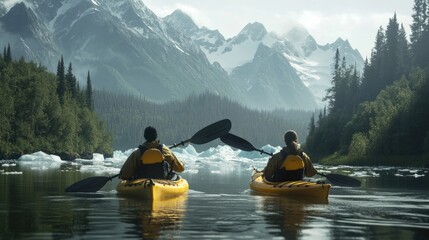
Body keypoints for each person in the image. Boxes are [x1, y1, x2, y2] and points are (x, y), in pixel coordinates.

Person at [119, 126, 185, 180]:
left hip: (142, 181)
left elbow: (124, 175)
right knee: (174, 175)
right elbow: (180, 168)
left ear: (145, 137)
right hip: (163, 180)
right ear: (156, 136)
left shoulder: (137, 153)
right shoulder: (165, 150)